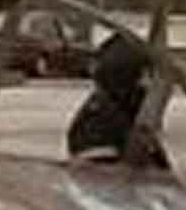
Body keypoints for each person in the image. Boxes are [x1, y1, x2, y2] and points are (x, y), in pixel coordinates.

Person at [64, 29, 169, 170]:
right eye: (144, 76)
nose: (146, 83)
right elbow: (104, 176)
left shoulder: (119, 111)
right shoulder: (99, 124)